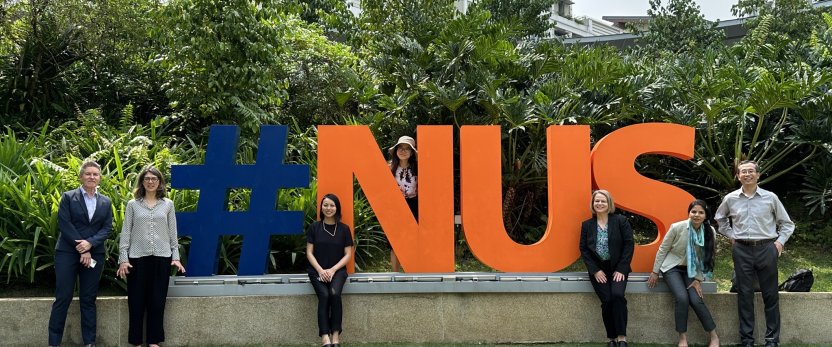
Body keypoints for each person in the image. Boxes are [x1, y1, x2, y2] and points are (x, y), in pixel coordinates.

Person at [715, 160, 794, 347]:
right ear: (738, 176)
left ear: (758, 175)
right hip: (741, 250)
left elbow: (787, 224)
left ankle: (772, 340)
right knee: (744, 295)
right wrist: (731, 235)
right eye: (743, 172)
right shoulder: (731, 198)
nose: (747, 174)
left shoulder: (770, 197)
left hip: (767, 248)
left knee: (771, 295)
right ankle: (747, 340)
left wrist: (779, 242)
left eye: (751, 171)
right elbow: (720, 218)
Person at [116, 166, 186, 347]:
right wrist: (123, 259)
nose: (150, 181)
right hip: (137, 259)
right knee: (136, 302)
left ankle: (154, 341)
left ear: (160, 182)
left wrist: (175, 257)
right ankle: (136, 341)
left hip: (162, 258)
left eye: (154, 179)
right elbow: (126, 232)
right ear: (142, 182)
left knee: (157, 302)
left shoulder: (168, 204)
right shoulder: (133, 205)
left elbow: (172, 233)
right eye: (147, 178)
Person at [48, 161, 113, 347]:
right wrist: (82, 247)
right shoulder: (68, 197)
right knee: (63, 297)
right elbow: (65, 223)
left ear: (100, 178)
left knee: (88, 299)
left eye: (95, 174)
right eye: (88, 174)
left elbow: (107, 228)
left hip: (94, 255)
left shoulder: (106, 202)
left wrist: (89, 244)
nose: (92, 177)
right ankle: (54, 343)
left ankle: (90, 342)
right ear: (81, 177)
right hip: (67, 253)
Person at [648, 200, 720, 347]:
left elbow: (707, 257)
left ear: (706, 215)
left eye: (701, 212)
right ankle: (682, 338)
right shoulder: (677, 227)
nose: (696, 215)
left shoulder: (710, 231)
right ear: (689, 213)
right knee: (682, 298)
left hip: (692, 270)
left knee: (696, 299)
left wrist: (698, 279)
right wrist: (655, 271)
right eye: (694, 212)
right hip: (672, 267)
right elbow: (663, 249)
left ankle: (714, 336)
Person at [579, 189, 634, 347]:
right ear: (593, 204)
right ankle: (611, 339)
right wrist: (595, 270)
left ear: (609, 203)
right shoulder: (587, 225)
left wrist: (622, 269)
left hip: (618, 268)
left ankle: (622, 338)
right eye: (597, 201)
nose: (599, 203)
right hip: (598, 270)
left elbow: (629, 245)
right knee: (607, 300)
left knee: (617, 296)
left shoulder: (621, 221)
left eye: (603, 201)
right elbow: (583, 249)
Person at [307, 193, 354, 347]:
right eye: (325, 205)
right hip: (316, 271)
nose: (329, 208)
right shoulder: (314, 227)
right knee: (325, 295)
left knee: (334, 294)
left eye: (332, 205)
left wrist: (333, 270)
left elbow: (348, 254)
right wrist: (321, 271)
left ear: (337, 208)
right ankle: (324, 337)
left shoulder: (344, 229)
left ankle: (335, 336)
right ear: (321, 207)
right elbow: (309, 253)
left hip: (338, 271)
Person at [388, 135, 417, 272]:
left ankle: (412, 272)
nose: (403, 151)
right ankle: (395, 274)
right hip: (395, 207)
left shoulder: (417, 168)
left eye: (407, 148)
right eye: (400, 148)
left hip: (414, 206)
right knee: (395, 243)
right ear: (396, 151)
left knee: (412, 241)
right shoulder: (389, 168)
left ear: (412, 152)